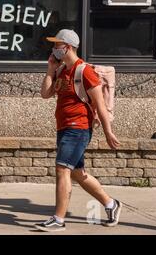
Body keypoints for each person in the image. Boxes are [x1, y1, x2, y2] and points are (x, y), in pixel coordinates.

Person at [35, 29, 122, 232]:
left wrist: (108, 132)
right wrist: (50, 70)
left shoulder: (85, 71)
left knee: (62, 169)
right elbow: (45, 94)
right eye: (54, 45)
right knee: (77, 173)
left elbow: (99, 104)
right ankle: (111, 204)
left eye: (57, 45)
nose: (54, 48)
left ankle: (58, 219)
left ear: (68, 47)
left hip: (79, 128)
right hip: (64, 127)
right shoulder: (61, 70)